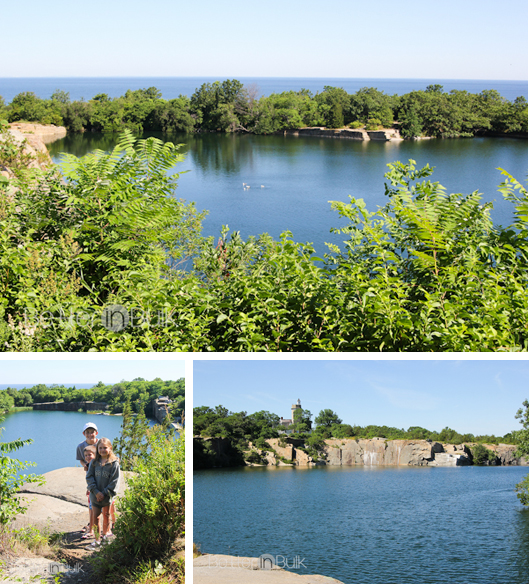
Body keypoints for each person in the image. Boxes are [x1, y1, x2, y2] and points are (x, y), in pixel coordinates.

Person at [86, 437, 120, 547]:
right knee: (95, 518)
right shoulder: (94, 462)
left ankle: (105, 537)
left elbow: (114, 481)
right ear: (97, 449)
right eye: (100, 448)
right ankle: (97, 540)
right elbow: (89, 477)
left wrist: (104, 493)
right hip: (95, 496)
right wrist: (96, 492)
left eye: (105, 448)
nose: (102, 450)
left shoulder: (114, 463)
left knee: (107, 515)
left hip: (106, 496)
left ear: (110, 448)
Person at [81, 445, 98, 540]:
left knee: (99, 513)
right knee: (91, 511)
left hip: (97, 492)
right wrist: (88, 488)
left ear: (95, 455)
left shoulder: (97, 466)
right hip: (91, 492)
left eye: (90, 455)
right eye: (86, 455)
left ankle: (102, 532)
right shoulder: (87, 466)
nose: (87, 457)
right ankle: (91, 530)